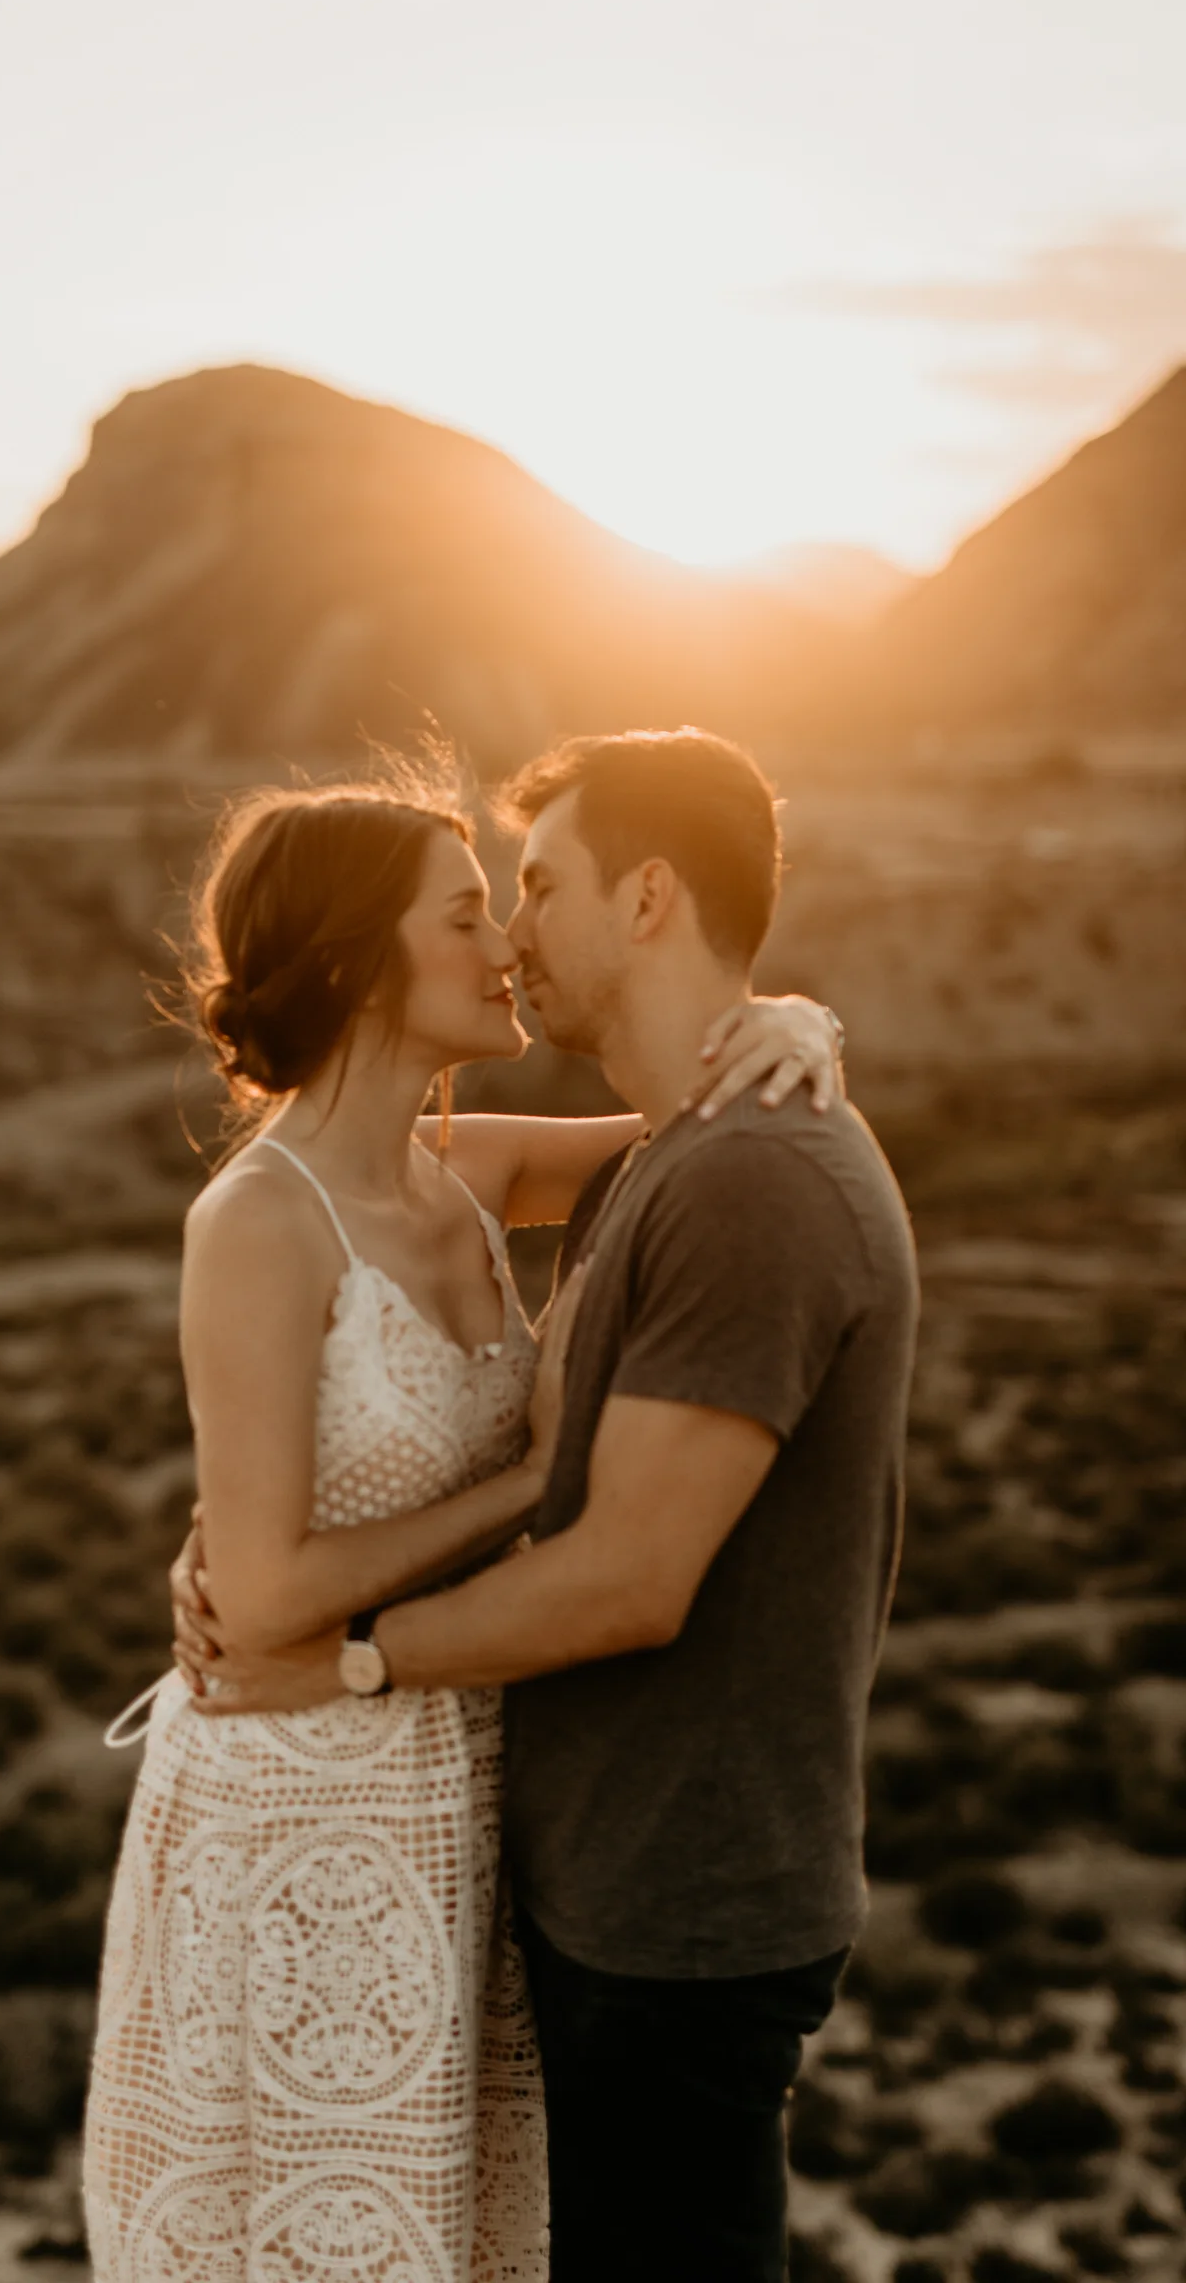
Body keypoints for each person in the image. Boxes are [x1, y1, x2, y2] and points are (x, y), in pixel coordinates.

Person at [82, 752, 844, 2283]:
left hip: (459, 1796)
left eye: (511, 905)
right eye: (467, 915)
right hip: (295, 1813)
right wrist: (537, 1480)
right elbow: (275, 1588)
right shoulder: (255, 1222)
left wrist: (802, 1019)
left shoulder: (469, 1170)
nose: (506, 944)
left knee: (457, 2233)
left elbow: (710, 1134)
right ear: (365, 959)